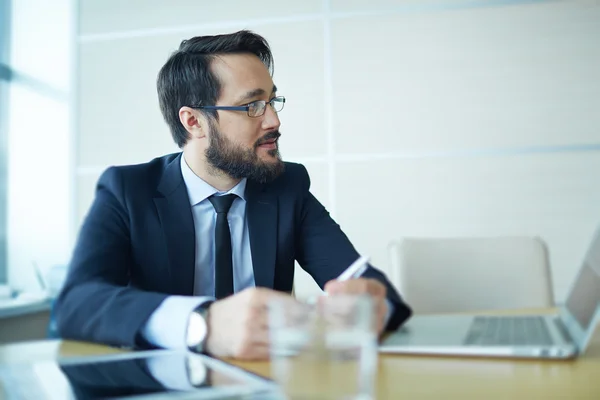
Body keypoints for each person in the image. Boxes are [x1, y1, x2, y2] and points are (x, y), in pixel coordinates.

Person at [55, 30, 412, 360]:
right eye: (251, 106)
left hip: (266, 381)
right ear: (193, 122)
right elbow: (77, 304)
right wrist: (203, 325)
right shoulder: (128, 191)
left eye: (272, 101)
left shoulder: (287, 188)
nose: (273, 120)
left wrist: (372, 305)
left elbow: (371, 288)